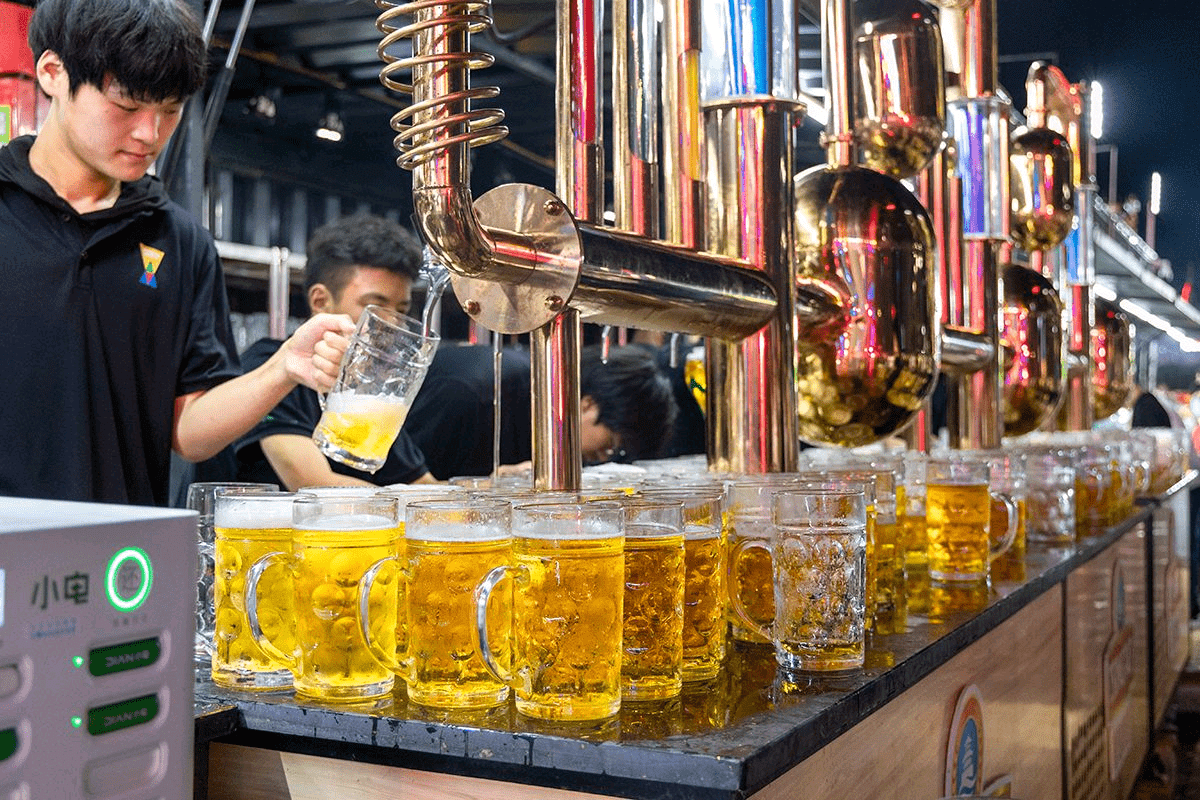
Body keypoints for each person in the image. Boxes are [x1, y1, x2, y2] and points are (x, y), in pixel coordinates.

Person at [0, 0, 353, 506]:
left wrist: (283, 368)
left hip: (124, 559)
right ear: (54, 73)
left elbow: (188, 431)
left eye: (169, 111)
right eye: (125, 107)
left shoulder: (180, 241)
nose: (149, 134)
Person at [232, 213, 436, 490]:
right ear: (320, 301)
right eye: (376, 307)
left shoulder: (371, 389)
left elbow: (424, 485)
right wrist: (403, 502)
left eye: (401, 310)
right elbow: (313, 484)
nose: (394, 325)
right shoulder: (268, 365)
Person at [406, 343, 678, 480]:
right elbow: (400, 491)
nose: (602, 459)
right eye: (611, 447)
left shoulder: (547, 422)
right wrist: (491, 490)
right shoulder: (472, 394)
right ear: (589, 405)